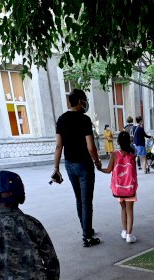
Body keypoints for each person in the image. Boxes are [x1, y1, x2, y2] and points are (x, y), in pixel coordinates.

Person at [52, 88, 103, 247]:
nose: (86, 103)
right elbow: (91, 146)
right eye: (85, 100)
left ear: (69, 102)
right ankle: (87, 237)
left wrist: (56, 168)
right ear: (81, 101)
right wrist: (97, 162)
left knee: (79, 199)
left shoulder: (61, 119)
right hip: (84, 165)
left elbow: (59, 146)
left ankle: (86, 229)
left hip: (69, 164)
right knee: (87, 202)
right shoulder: (84, 120)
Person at [98, 130, 138, 244]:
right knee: (130, 211)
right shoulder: (132, 155)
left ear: (118, 141)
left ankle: (124, 231)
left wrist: (99, 167)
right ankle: (130, 236)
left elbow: (108, 170)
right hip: (129, 188)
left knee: (123, 209)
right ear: (129, 141)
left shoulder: (114, 155)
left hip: (119, 188)